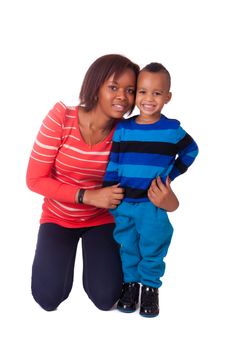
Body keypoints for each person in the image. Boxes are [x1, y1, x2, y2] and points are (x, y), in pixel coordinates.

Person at [26, 55, 179, 312]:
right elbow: (34, 179)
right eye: (113, 87)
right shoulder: (61, 118)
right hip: (58, 217)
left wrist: (171, 203)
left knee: (107, 298)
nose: (122, 96)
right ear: (95, 86)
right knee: (48, 298)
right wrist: (87, 195)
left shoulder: (129, 133)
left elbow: (153, 179)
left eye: (130, 90)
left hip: (104, 220)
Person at [103, 62, 199, 317]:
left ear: (167, 97)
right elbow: (114, 160)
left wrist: (170, 177)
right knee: (128, 246)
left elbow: (192, 151)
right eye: (143, 92)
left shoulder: (172, 130)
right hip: (124, 202)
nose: (149, 99)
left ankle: (150, 290)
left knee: (153, 247)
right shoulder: (124, 128)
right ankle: (130, 285)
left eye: (157, 93)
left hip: (152, 205)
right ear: (135, 95)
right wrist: (109, 189)